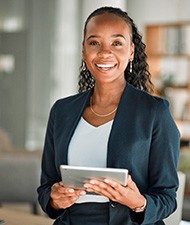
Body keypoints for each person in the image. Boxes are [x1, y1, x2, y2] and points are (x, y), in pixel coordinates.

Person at [37, 6, 180, 225]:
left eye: (117, 43)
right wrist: (55, 200)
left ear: (131, 51)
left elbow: (167, 197)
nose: (105, 52)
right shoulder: (62, 111)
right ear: (84, 50)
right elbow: (46, 187)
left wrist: (138, 202)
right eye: (94, 42)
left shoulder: (154, 112)